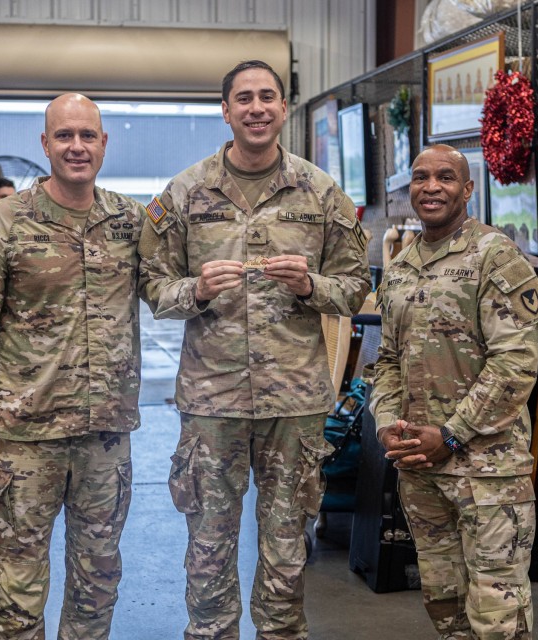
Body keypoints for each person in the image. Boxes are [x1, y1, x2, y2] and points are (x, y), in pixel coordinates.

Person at [138, 60, 371, 639]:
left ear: (284, 107)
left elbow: (356, 286)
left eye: (268, 96)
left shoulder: (320, 193)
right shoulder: (185, 193)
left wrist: (310, 286)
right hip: (212, 403)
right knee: (210, 544)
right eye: (244, 98)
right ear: (226, 110)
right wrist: (194, 290)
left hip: (294, 401)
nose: (257, 108)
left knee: (287, 543)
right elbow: (151, 285)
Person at [0, 93, 144, 639]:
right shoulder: (2, 223)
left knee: (97, 582)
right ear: (45, 144)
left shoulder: (129, 220)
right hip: (29, 439)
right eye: (64, 136)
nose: (76, 146)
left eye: (87, 135)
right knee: (16, 589)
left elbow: (169, 285)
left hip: (106, 440)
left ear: (104, 144)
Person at [370, 144, 538, 639]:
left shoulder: (495, 256)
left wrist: (450, 434)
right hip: (421, 472)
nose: (431, 187)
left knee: (497, 618)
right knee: (445, 609)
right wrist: (387, 427)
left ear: (467, 189)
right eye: (421, 178)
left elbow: (514, 364)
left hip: (487, 475)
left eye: (445, 177)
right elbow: (386, 362)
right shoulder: (401, 269)